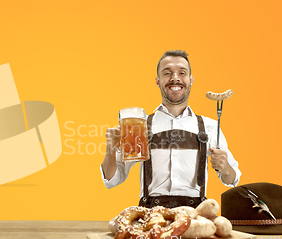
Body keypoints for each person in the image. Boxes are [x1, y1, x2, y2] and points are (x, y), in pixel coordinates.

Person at [100, 50, 241, 208]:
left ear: (190, 80)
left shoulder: (209, 126)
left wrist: (226, 169)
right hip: (151, 217)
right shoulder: (139, 126)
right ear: (158, 81)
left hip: (196, 216)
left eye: (182, 72)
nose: (175, 78)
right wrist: (111, 150)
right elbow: (112, 180)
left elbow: (231, 180)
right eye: (167, 73)